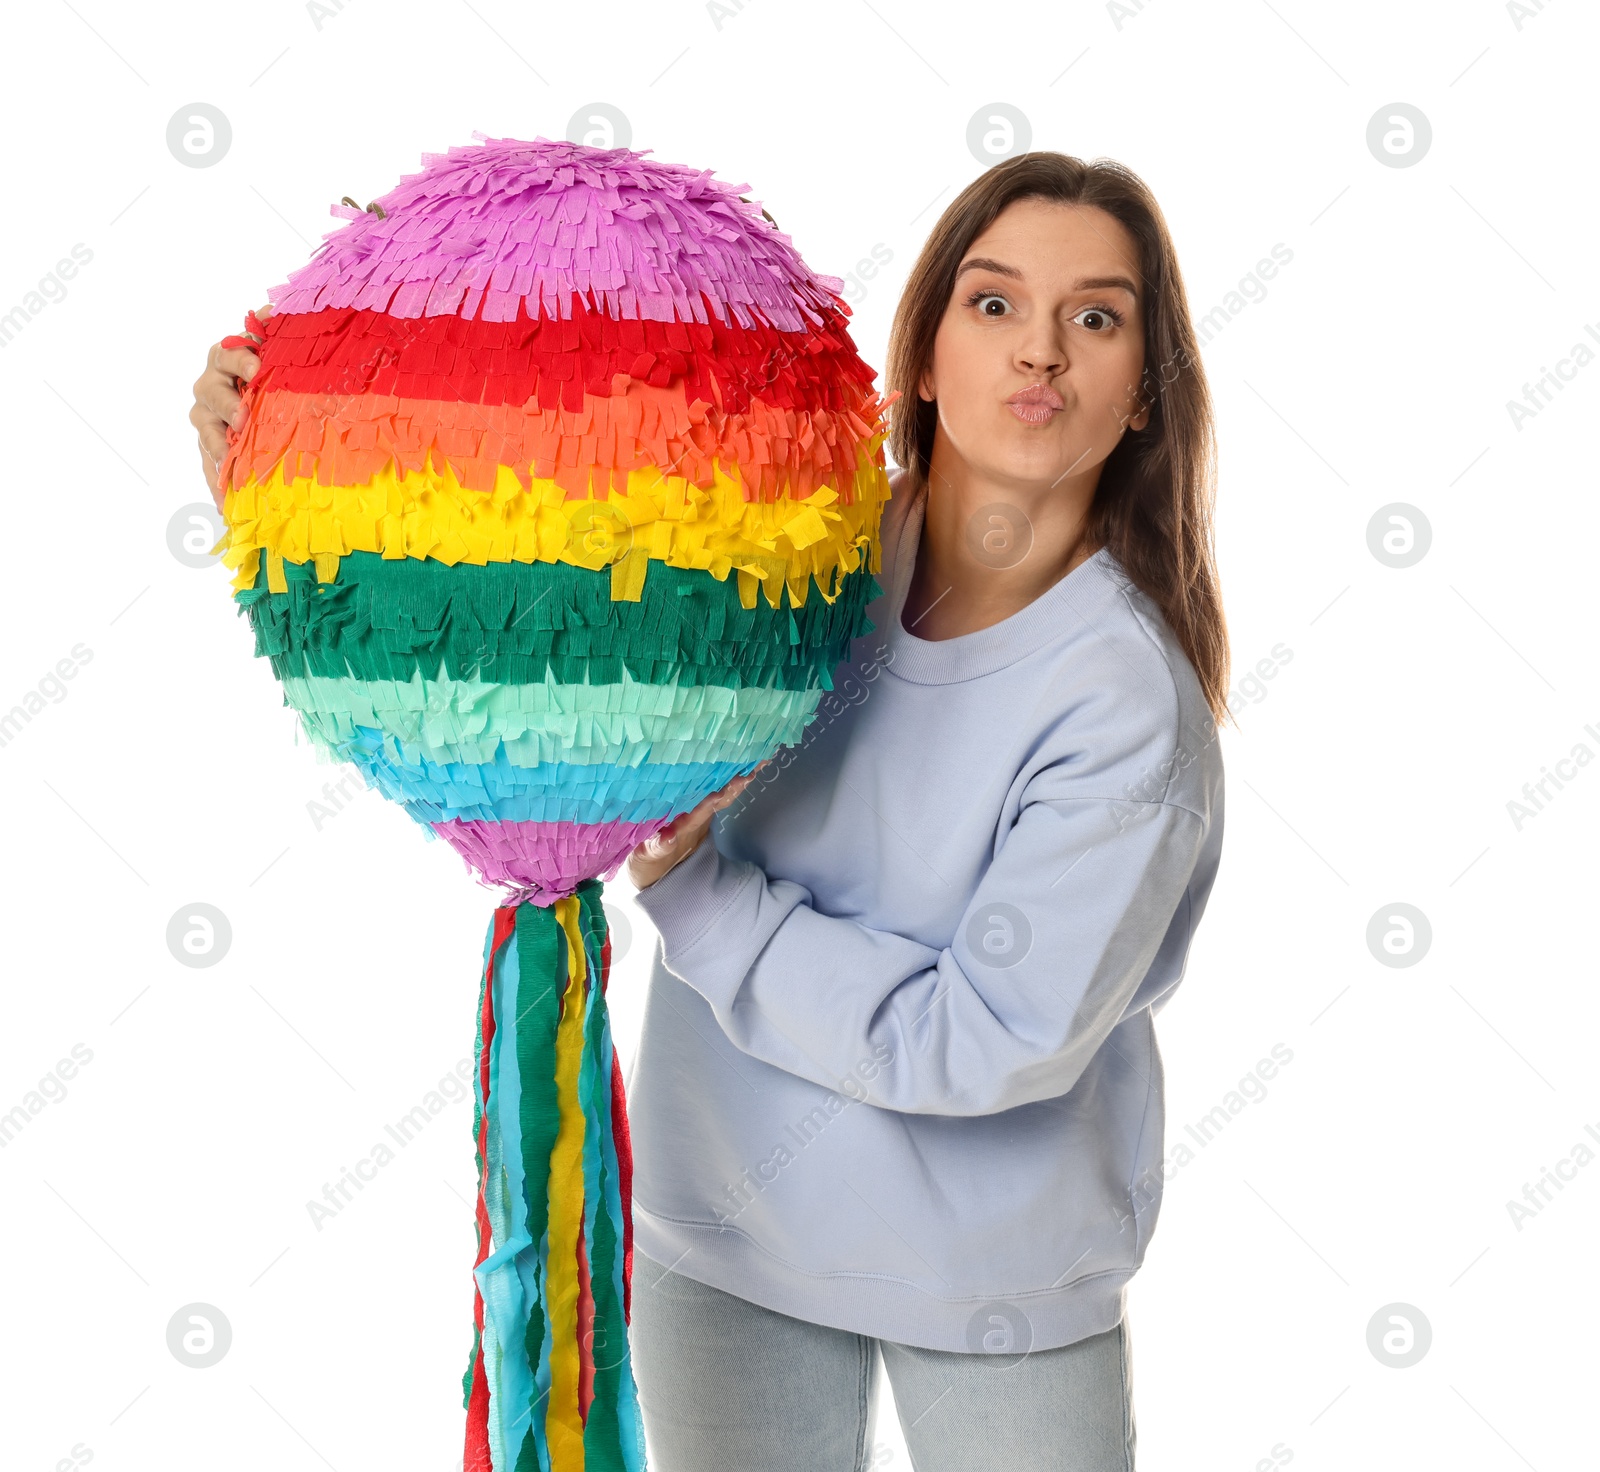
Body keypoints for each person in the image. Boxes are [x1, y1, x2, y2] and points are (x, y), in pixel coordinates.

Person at [190, 150, 1228, 1472]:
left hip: (993, 1290)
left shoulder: (1125, 707)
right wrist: (292, 470)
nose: (1040, 354)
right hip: (722, 1239)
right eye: (993, 304)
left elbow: (983, 1042)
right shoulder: (783, 551)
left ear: (1143, 392)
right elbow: (542, 595)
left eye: (1096, 317)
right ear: (919, 354)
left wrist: (699, 890)